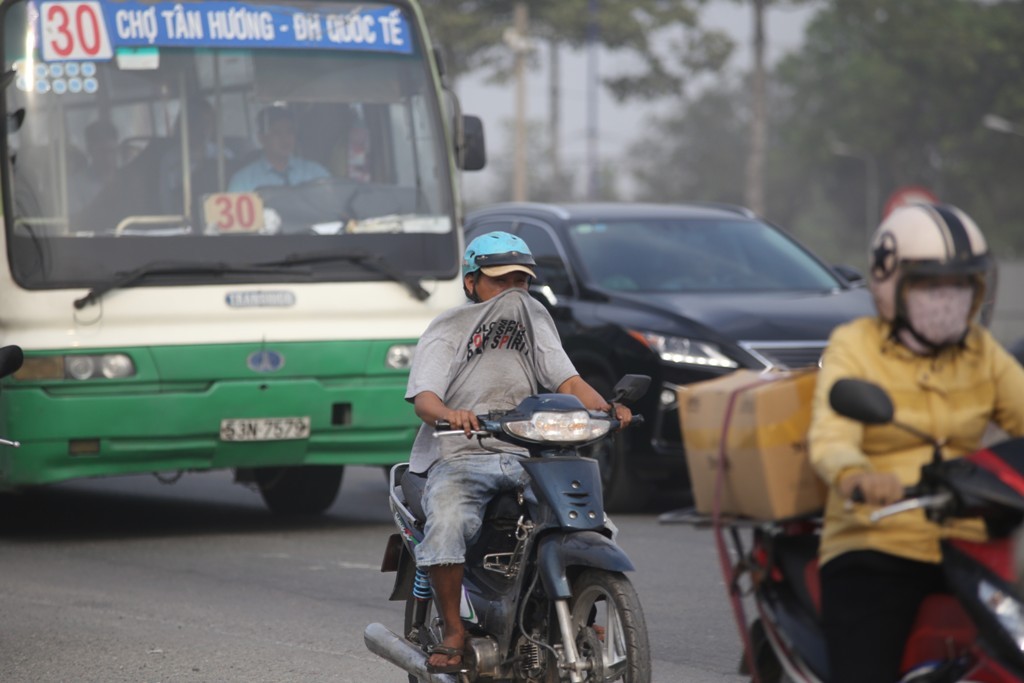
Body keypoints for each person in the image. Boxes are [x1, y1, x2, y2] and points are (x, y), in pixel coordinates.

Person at [808, 202, 1024, 683]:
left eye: (961, 284)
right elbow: (831, 432)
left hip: (969, 534)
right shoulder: (855, 345)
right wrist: (856, 475)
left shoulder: (980, 351)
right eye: (932, 285)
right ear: (891, 285)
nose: (949, 298)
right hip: (879, 538)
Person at [405, 231, 632, 674]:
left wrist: (606, 409)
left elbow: (567, 380)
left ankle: (579, 606)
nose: (515, 292)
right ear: (471, 282)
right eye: (501, 280)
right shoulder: (448, 327)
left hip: (532, 451)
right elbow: (424, 400)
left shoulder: (536, 319)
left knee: (593, 520)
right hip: (462, 453)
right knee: (449, 520)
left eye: (522, 281)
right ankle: (454, 629)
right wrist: (452, 414)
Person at [228, 105, 329, 192]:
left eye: (290, 131)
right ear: (261, 138)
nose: (285, 138)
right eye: (276, 132)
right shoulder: (244, 181)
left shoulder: (315, 173)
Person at [69, 119, 119, 213]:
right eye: (102, 152)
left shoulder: (127, 180)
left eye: (112, 151)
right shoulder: (75, 186)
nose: (108, 158)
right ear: (89, 150)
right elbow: (76, 222)